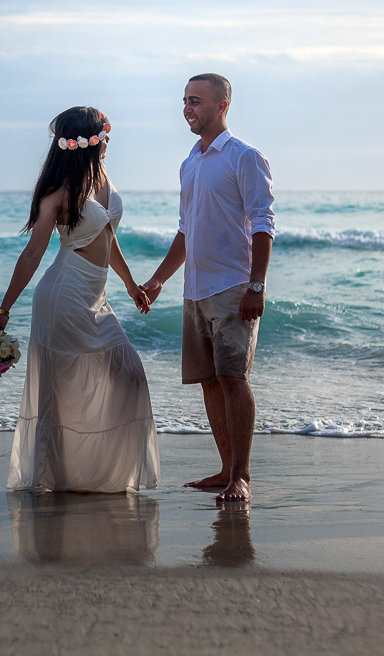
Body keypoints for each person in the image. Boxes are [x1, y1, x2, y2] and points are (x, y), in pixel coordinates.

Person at [0, 106, 159, 493]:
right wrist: (4, 310)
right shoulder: (59, 190)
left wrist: (132, 285)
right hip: (64, 295)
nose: (109, 140)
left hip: (95, 295)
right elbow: (33, 254)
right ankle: (57, 478)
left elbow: (108, 236)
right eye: (105, 134)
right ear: (90, 138)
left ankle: (94, 475)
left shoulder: (101, 174)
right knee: (61, 391)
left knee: (130, 375)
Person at [141, 74, 274, 502]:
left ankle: (242, 476)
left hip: (234, 285)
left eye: (195, 101)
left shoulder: (244, 157)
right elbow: (185, 231)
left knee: (233, 377)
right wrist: (160, 278)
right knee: (210, 382)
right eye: (184, 101)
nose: (187, 108)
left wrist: (257, 284)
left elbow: (264, 224)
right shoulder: (190, 163)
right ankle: (224, 469)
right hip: (195, 289)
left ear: (222, 105)